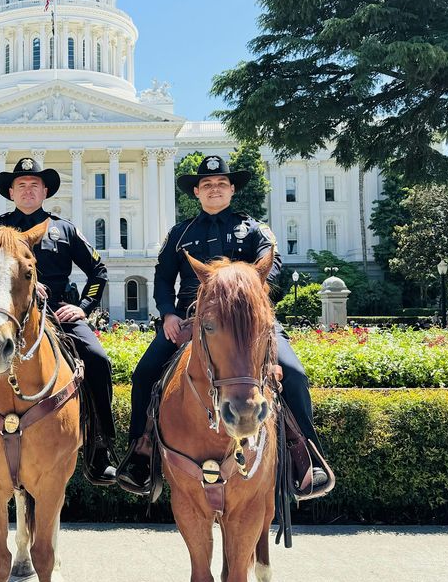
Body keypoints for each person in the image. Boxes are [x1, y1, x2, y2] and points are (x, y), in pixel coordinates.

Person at [117, 155, 332, 498]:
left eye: (220, 184)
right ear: (197, 193)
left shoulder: (255, 230)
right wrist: (168, 314)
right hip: (193, 322)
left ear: (231, 190)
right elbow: (161, 279)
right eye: (207, 185)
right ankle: (141, 454)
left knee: (293, 372)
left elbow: (271, 265)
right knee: (144, 374)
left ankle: (304, 455)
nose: (214, 189)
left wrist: (242, 284)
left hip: (249, 323)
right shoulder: (180, 233)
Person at [0, 156, 118, 486]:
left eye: (34, 185)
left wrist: (83, 307)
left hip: (57, 313)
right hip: (6, 315)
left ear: (45, 191)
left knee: (97, 359)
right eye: (21, 185)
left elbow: (98, 272)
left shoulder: (64, 229)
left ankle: (99, 449)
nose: (28, 190)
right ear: (11, 191)